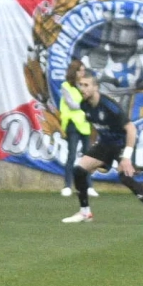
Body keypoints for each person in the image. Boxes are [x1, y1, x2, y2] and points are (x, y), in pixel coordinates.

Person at [60, 62, 143, 226]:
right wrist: (96, 155)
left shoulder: (109, 106)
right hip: (105, 144)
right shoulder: (84, 105)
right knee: (79, 170)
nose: (82, 88)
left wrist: (125, 157)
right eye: (80, 85)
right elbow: (96, 127)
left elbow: (131, 129)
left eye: (86, 85)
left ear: (95, 87)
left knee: (125, 178)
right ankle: (85, 212)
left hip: (121, 144)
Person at [57, 61, 93, 200]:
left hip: (85, 124)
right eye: (80, 70)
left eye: (83, 70)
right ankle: (67, 185)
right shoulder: (66, 86)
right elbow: (72, 105)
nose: (82, 73)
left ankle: (88, 186)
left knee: (88, 157)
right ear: (74, 72)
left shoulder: (84, 85)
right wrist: (85, 103)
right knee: (71, 155)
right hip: (72, 123)